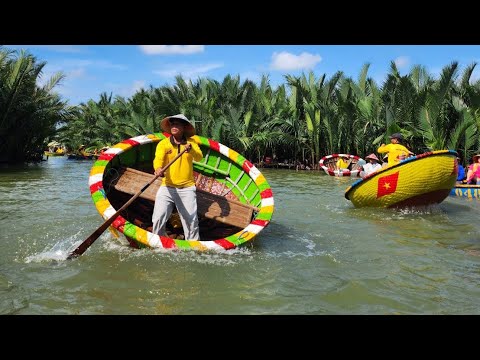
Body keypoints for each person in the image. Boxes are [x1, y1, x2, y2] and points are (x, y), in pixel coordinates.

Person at [151, 114, 203, 240]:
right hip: (167, 186)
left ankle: (193, 246)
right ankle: (159, 241)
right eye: (172, 124)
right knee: (158, 218)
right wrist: (158, 169)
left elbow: (199, 157)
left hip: (187, 188)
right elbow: (158, 160)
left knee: (191, 221)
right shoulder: (163, 144)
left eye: (177, 124)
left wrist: (190, 150)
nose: (174, 126)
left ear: (184, 127)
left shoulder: (191, 143)